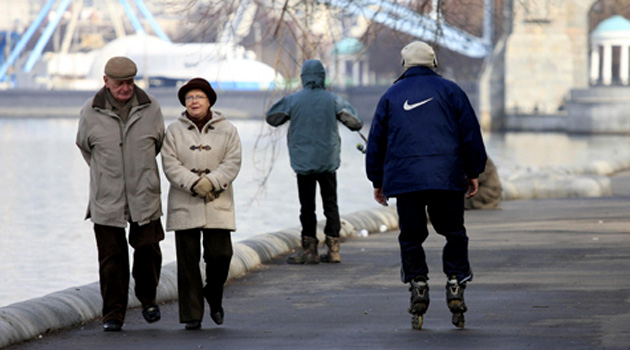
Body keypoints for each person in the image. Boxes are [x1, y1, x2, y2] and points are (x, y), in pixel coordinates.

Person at [365, 41, 487, 330]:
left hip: (406, 180)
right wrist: (473, 171)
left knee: (411, 236)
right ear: (433, 62)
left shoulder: (391, 95)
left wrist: (377, 181)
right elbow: (470, 133)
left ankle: (418, 282)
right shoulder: (452, 91)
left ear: (404, 64)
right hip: (447, 177)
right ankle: (456, 281)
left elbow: (377, 142)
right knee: (454, 232)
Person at [76, 56, 165, 332]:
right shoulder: (90, 111)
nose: (125, 88)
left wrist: (138, 169)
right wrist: (107, 174)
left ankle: (148, 298)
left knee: (148, 249)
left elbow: (158, 143)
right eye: (119, 83)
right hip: (107, 198)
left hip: (144, 193)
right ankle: (113, 314)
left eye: (129, 82)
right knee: (111, 259)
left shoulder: (151, 107)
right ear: (106, 82)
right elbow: (85, 147)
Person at [161, 77, 242, 330]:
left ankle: (214, 293)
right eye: (189, 98)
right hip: (185, 201)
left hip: (217, 201)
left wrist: (212, 182)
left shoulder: (228, 129)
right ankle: (192, 315)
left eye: (199, 97)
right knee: (187, 262)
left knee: (221, 255)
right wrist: (194, 183)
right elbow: (169, 164)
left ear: (209, 101)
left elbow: (233, 161)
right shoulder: (174, 130)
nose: (194, 101)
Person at [266, 59, 363, 264]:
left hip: (303, 163)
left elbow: (272, 118)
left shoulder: (293, 100)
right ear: (322, 77)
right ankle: (333, 249)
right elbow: (355, 123)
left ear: (303, 78)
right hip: (327, 161)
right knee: (331, 204)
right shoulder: (333, 99)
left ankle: (309, 250)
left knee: (307, 206)